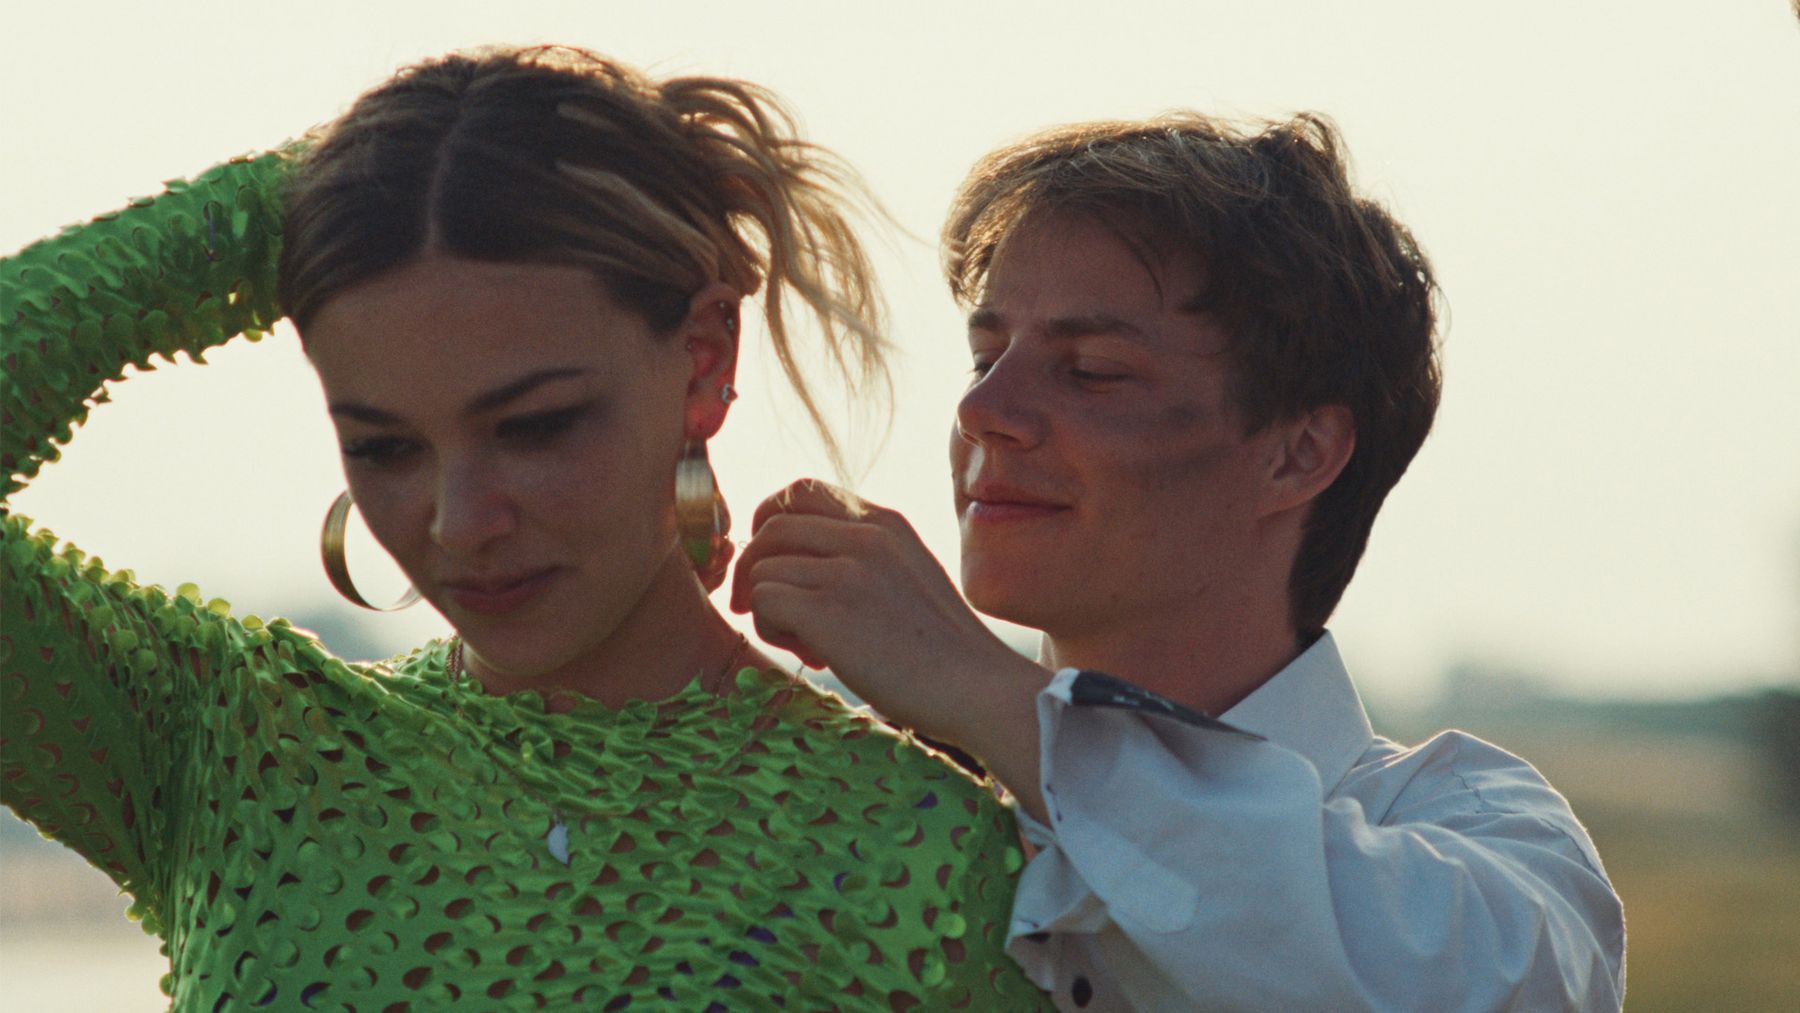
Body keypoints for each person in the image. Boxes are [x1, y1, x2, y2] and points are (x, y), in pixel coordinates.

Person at [0, 46, 1052, 1010]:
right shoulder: (230, 750)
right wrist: (297, 197)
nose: (461, 523)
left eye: (536, 427)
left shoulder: (918, 859)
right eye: (385, 446)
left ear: (704, 358)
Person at [734, 113, 1626, 1010]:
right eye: (984, 357)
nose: (984, 411)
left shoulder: (1488, 843)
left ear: (1299, 453)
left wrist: (981, 688)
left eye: (1092, 370)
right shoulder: (862, 824)